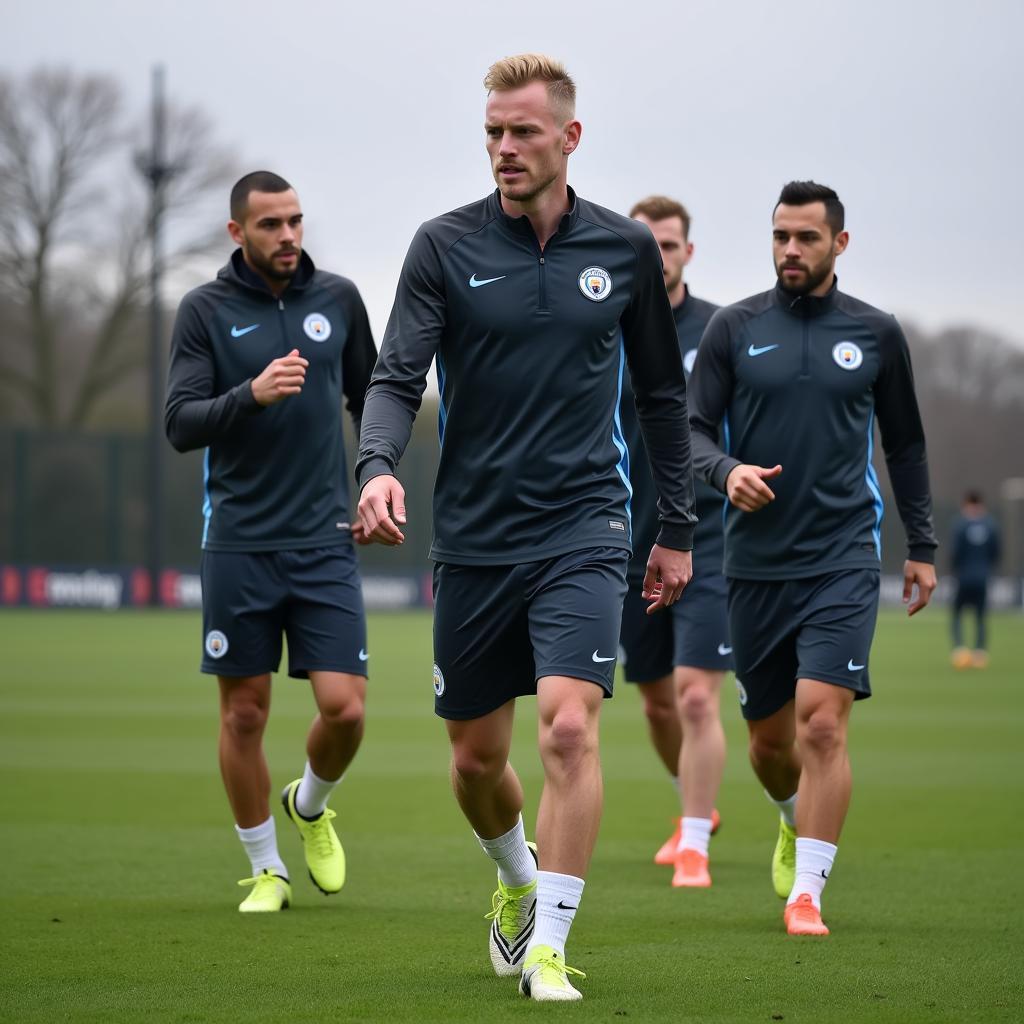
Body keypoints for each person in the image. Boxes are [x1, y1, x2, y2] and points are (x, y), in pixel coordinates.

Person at [356, 55, 695, 1001]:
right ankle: (516, 876)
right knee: (474, 760)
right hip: (473, 539)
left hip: (587, 527)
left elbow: (664, 400)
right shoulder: (441, 246)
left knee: (569, 730)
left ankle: (548, 943)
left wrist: (677, 527)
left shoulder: (625, 250)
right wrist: (377, 466)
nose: (505, 149)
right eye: (494, 134)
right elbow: (394, 379)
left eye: (524, 133)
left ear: (569, 138)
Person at [688, 181, 938, 936]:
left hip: (844, 558)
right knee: (769, 745)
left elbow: (906, 443)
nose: (790, 250)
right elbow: (691, 433)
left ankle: (807, 894)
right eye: (780, 237)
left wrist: (921, 545)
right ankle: (792, 820)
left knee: (822, 725)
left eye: (805, 237)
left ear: (839, 243)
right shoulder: (735, 329)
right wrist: (725, 472)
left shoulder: (876, 332)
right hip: (755, 565)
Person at [165, 171, 377, 913]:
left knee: (346, 708)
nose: (288, 236)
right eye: (270, 225)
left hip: (324, 541)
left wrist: (377, 479)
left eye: (295, 221)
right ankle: (267, 870)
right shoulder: (204, 311)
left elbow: (373, 397)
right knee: (244, 714)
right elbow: (180, 423)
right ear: (237, 234)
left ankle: (310, 805)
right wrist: (247, 396)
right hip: (239, 543)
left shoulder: (338, 300)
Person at [617, 195, 732, 888]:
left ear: (688, 251)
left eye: (668, 244)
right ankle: (696, 803)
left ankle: (693, 839)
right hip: (625, 542)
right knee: (658, 700)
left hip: (708, 538)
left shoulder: (721, 331)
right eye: (646, 244)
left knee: (695, 698)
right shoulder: (605, 324)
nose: (657, 256)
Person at [950, 491, 1001, 668]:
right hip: (983, 577)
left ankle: (960, 650)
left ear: (966, 504)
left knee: (957, 613)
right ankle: (980, 654)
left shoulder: (960, 524)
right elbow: (996, 552)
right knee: (980, 615)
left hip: (964, 577)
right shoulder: (991, 524)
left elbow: (955, 552)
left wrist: (955, 569)